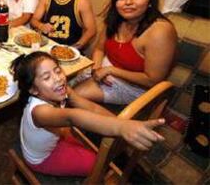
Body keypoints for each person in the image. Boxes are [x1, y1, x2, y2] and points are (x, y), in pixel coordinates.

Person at [11, 51, 166, 176]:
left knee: (92, 153)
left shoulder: (61, 90)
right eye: (47, 77)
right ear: (33, 90)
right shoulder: (40, 112)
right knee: (97, 167)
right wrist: (120, 128)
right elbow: (74, 116)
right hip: (42, 159)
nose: (58, 79)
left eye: (57, 71)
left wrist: (121, 122)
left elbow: (90, 108)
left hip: (56, 139)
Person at [73, 0, 177, 104]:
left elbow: (152, 79)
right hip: (104, 69)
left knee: (75, 95)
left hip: (135, 87)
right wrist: (96, 69)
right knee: (61, 83)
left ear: (150, 0)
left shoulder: (160, 31)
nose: (128, 2)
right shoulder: (115, 19)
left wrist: (110, 70)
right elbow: (99, 49)